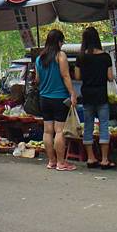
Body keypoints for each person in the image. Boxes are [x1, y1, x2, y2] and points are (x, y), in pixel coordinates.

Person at [35, 29, 78, 172]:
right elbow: (66, 76)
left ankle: (51, 161)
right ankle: (61, 163)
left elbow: (37, 80)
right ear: (59, 42)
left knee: (47, 131)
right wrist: (73, 93)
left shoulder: (39, 58)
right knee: (59, 131)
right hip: (59, 98)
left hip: (44, 98)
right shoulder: (60, 56)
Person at [75, 27, 115, 169]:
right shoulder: (105, 57)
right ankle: (104, 159)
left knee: (88, 126)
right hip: (101, 94)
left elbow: (78, 77)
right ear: (97, 39)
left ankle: (91, 158)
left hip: (87, 94)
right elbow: (110, 77)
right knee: (104, 125)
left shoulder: (81, 57)